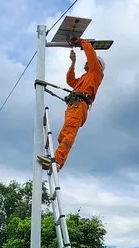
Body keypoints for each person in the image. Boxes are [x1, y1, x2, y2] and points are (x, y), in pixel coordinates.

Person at [37, 37, 105, 171]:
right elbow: (70, 81)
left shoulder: (96, 73)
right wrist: (73, 63)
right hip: (74, 106)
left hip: (79, 106)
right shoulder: (85, 78)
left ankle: (57, 161)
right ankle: (55, 159)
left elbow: (91, 54)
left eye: (90, 61)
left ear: (98, 64)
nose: (87, 61)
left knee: (68, 134)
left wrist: (82, 42)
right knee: (63, 135)